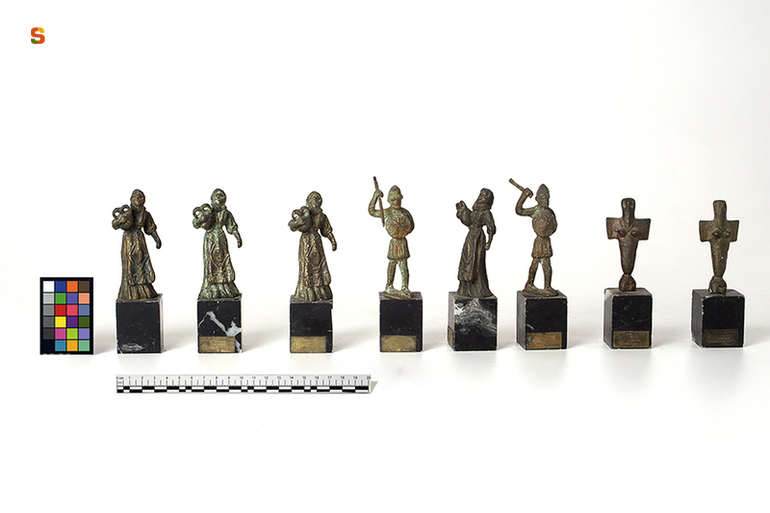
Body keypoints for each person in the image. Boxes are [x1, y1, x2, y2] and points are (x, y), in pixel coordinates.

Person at [193, 188, 242, 299]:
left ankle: (225, 285)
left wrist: (238, 237)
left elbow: (231, 226)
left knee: (223, 261)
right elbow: (196, 224)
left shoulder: (226, 213)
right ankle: (212, 287)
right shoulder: (208, 212)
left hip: (220, 239)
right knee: (211, 262)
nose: (219, 201)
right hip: (210, 239)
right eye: (217, 198)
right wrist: (200, 218)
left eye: (221, 199)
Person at [112, 189, 162, 300]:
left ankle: (144, 288)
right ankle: (130, 291)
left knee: (142, 262)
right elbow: (115, 225)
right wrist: (121, 220)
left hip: (139, 241)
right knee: (130, 264)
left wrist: (157, 239)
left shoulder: (145, 214)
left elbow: (150, 228)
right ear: (131, 200)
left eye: (140, 198)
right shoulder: (127, 213)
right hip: (129, 240)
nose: (138, 201)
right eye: (136, 198)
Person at [289, 191, 337, 302]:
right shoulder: (305, 214)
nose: (314, 205)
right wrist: (300, 220)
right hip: (306, 242)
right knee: (306, 265)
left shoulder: (321, 216)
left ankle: (319, 289)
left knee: (319, 266)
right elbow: (293, 226)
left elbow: (326, 230)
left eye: (316, 202)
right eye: (312, 202)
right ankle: (306, 290)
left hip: (316, 243)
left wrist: (333, 241)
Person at [369, 185, 414, 299]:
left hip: (402, 241)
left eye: (398, 199)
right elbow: (371, 211)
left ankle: (405, 287)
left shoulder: (405, 213)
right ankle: (389, 286)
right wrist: (375, 197)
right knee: (392, 264)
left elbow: (411, 225)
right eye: (393, 199)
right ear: (389, 200)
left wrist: (403, 230)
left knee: (403, 265)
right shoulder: (388, 212)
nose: (396, 202)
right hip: (394, 242)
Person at [516, 184, 558, 296]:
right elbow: (519, 210)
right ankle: (529, 284)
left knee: (546, 265)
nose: (546, 200)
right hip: (539, 241)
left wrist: (547, 230)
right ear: (537, 199)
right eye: (543, 198)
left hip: (546, 240)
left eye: (547, 198)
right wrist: (523, 196)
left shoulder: (549, 212)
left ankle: (547, 286)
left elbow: (554, 225)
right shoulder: (535, 210)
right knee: (535, 262)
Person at [456, 188, 495, 298]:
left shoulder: (486, 213)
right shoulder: (476, 211)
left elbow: (491, 227)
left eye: (484, 195)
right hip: (471, 236)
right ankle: (465, 288)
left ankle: (478, 289)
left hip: (478, 238)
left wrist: (489, 242)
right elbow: (469, 221)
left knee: (476, 262)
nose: (481, 197)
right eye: (481, 195)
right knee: (467, 259)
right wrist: (464, 211)